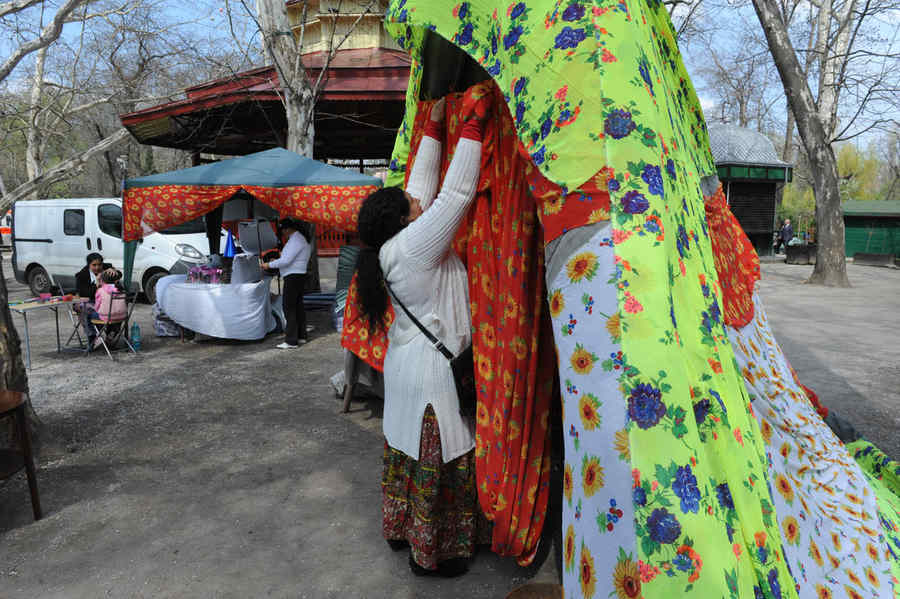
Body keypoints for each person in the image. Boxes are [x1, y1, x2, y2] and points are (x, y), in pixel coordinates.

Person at [356, 97, 489, 577]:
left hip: (408, 366)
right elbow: (453, 198)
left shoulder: (393, 246)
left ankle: (403, 531)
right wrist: (472, 129)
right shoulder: (414, 247)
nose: (419, 202)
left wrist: (433, 128)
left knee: (409, 451)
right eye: (414, 206)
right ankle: (435, 555)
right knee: (441, 455)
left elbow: (421, 189)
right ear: (405, 219)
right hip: (435, 374)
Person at [261, 218, 311, 349]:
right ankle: (301, 336)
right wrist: (278, 260)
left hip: (293, 276)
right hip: (298, 275)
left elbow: (286, 261)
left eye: (283, 231)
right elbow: (287, 258)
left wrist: (268, 264)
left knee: (289, 307)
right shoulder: (299, 239)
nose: (283, 234)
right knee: (297, 306)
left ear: (287, 229)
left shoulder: (296, 239)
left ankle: (291, 340)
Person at [91, 269, 127, 349]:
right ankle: (110, 334)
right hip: (122, 317)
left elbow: (97, 306)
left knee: (90, 314)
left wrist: (95, 310)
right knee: (112, 315)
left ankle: (97, 336)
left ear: (102, 280)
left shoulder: (100, 290)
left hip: (107, 317)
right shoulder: (122, 290)